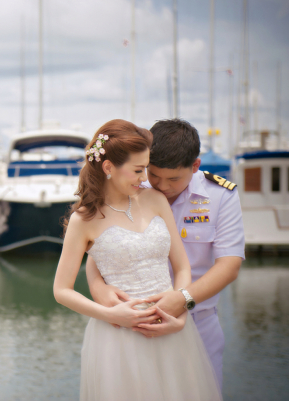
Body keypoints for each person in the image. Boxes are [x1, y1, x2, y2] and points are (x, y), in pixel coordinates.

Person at [53, 119, 221, 401]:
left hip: (172, 328)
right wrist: (110, 314)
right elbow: (61, 291)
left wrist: (179, 315)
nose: (144, 177)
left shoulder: (155, 199)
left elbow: (181, 266)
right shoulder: (84, 219)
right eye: (137, 170)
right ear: (108, 167)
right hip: (118, 337)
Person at [86, 118, 244, 389]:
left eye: (173, 178)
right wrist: (97, 287)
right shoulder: (133, 187)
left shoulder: (221, 197)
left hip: (198, 319)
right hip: (132, 322)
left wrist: (182, 300)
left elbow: (229, 265)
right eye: (154, 174)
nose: (161, 185)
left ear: (195, 166)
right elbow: (100, 248)